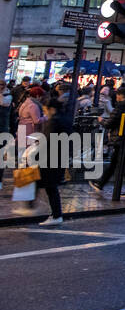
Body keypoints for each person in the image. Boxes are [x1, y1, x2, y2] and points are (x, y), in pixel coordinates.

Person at [34, 92, 75, 225]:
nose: (45, 113)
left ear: (52, 109)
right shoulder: (65, 119)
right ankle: (55, 214)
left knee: (48, 186)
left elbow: (47, 140)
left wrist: (36, 153)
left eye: (46, 110)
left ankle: (55, 215)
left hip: (50, 158)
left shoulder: (54, 121)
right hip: (58, 157)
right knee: (48, 186)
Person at [91, 89, 125, 197]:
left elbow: (110, 123)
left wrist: (101, 120)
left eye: (117, 95)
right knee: (116, 163)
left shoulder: (120, 107)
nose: (116, 97)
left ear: (121, 95)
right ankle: (101, 183)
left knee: (121, 164)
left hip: (119, 139)